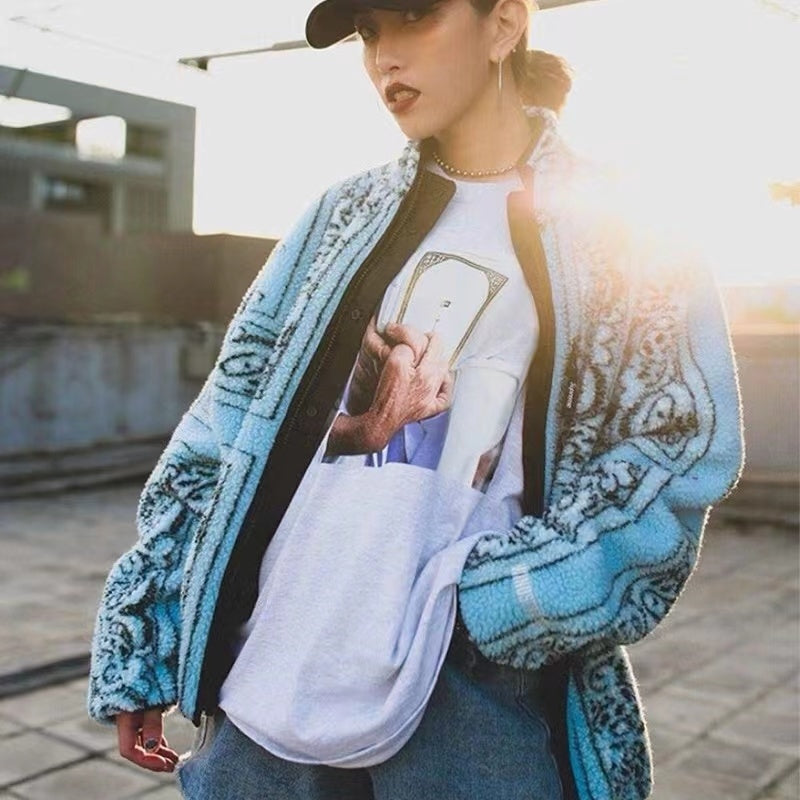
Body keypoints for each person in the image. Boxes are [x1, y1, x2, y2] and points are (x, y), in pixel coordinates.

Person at [87, 0, 745, 798]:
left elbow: (676, 457)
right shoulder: (340, 216)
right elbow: (221, 429)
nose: (384, 57)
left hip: (468, 702)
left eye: (412, 15)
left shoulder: (621, 233)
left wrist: (494, 605)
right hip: (268, 679)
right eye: (369, 31)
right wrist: (148, 630)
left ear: (504, 22)